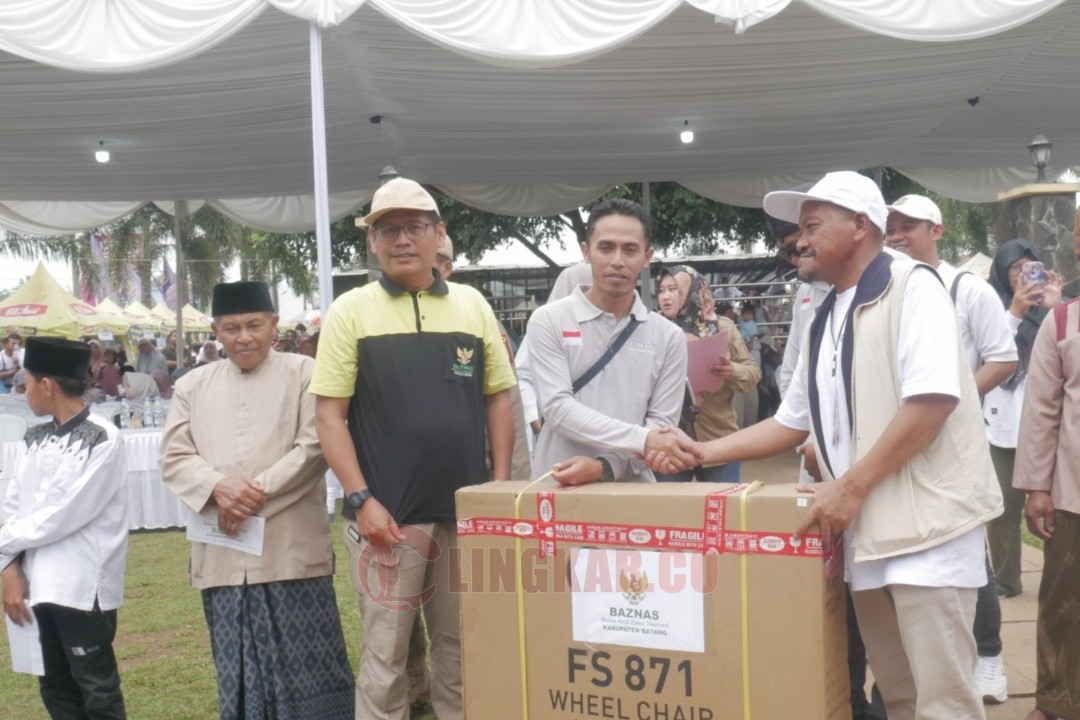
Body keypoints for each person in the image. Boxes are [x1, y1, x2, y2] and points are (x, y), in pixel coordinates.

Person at [650, 171, 1003, 720]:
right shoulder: (824, 311)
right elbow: (793, 421)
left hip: (927, 535)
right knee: (902, 695)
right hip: (868, 533)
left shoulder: (914, 287)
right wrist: (701, 453)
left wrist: (849, 486)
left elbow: (932, 402)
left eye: (813, 225)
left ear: (860, 225)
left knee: (945, 701)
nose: (801, 240)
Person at [311, 178, 516, 720]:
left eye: (415, 227)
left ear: (438, 234)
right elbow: (328, 416)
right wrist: (361, 500)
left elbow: (499, 398)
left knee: (461, 648)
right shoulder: (350, 311)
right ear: (373, 241)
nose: (403, 240)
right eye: (389, 230)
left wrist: (493, 488)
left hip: (462, 512)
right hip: (388, 517)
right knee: (386, 656)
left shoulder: (472, 306)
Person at [161, 281, 353, 720]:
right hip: (222, 551)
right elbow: (173, 456)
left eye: (253, 325)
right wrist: (216, 488)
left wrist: (245, 497)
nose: (242, 337)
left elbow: (314, 448)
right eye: (230, 328)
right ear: (215, 330)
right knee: (237, 665)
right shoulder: (192, 384)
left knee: (310, 668)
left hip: (290, 546)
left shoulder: (306, 372)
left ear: (274, 325)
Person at [885, 193, 1020, 704]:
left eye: (909, 226)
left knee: (966, 554)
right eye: (891, 227)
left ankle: (988, 658)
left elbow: (1002, 359)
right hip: (901, 442)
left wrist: (949, 404)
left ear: (938, 230)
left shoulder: (968, 290)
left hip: (954, 447)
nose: (898, 235)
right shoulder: (884, 287)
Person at [0, 337, 129, 720]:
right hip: (33, 583)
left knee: (96, 688)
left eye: (25, 382)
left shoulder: (104, 438)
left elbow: (65, 514)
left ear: (47, 385)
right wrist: (8, 568)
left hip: (81, 585)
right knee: (54, 685)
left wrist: (3, 543)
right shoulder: (33, 438)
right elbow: (11, 503)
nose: (21, 392)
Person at [526, 198, 694, 486]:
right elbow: (557, 410)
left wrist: (605, 466)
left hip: (633, 496)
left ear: (647, 256)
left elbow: (660, 426)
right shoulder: (548, 320)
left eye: (630, 249)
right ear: (586, 251)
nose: (617, 260)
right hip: (556, 487)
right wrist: (642, 439)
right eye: (606, 247)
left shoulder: (669, 337)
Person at [1013, 220, 1080, 720]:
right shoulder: (1062, 324)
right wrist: (1037, 488)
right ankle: (1056, 703)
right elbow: (1041, 410)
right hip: (1073, 495)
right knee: (1063, 605)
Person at [983, 238, 1064, 601]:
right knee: (1001, 512)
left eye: (1030, 267)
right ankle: (1006, 581)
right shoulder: (990, 308)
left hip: (1049, 432)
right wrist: (1014, 312)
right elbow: (989, 353)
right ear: (1001, 273)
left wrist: (1055, 307)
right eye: (1015, 269)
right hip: (1001, 427)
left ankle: (1060, 580)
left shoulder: (1053, 312)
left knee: (1057, 513)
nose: (1022, 275)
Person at [654, 264, 759, 482]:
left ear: (693, 290)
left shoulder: (724, 328)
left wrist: (731, 371)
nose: (665, 296)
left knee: (721, 512)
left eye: (674, 289)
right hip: (669, 443)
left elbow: (752, 374)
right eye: (661, 290)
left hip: (718, 440)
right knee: (669, 513)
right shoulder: (652, 330)